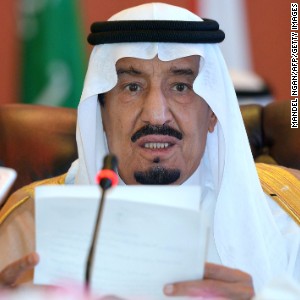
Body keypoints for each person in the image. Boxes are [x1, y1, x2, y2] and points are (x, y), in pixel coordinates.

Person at [0, 3, 299, 299]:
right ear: (100, 111)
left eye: (181, 87)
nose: (156, 115)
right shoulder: (30, 224)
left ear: (212, 113)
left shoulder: (286, 214)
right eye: (132, 87)